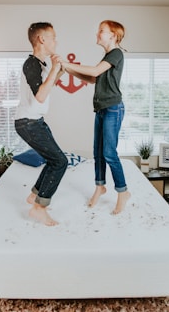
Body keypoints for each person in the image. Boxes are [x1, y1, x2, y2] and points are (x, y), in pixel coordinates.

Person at [62, 20, 130, 214]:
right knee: (97, 151)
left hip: (113, 108)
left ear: (113, 35)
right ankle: (100, 186)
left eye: (101, 31)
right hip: (101, 109)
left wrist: (67, 63)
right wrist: (69, 69)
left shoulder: (116, 53)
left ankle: (123, 191)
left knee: (109, 152)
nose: (97, 34)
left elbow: (94, 71)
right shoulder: (107, 57)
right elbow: (92, 78)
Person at [15, 22, 68, 226]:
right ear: (42, 39)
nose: (56, 41)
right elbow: (40, 96)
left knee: (54, 160)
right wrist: (55, 68)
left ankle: (34, 196)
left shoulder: (42, 65)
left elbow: (48, 85)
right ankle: (38, 208)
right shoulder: (31, 64)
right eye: (53, 37)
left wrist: (58, 70)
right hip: (28, 122)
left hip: (36, 121)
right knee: (60, 162)